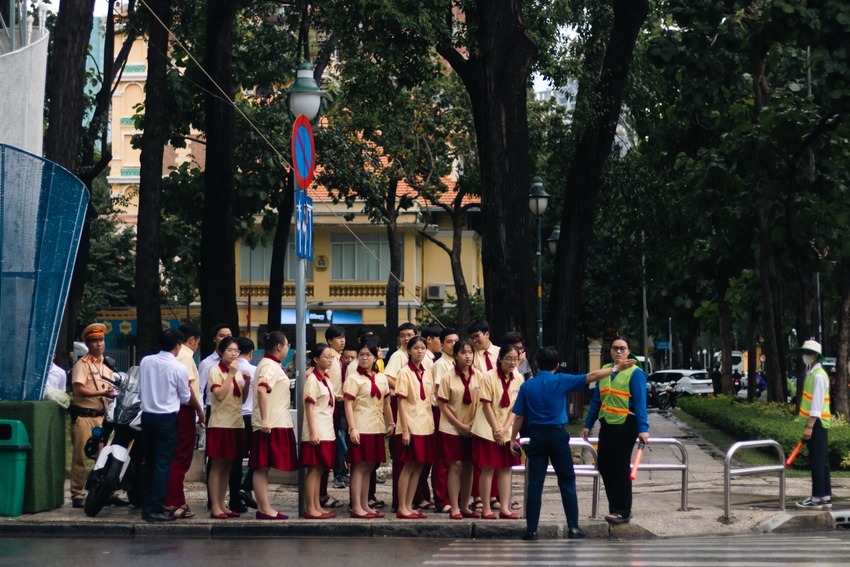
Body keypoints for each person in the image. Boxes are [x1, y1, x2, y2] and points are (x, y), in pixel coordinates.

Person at [510, 346, 636, 541]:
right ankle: (573, 527)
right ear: (557, 365)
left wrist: (512, 439)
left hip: (536, 436)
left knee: (535, 483)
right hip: (557, 435)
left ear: (536, 364)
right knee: (567, 480)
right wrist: (614, 369)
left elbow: (519, 415)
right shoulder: (561, 380)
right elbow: (591, 376)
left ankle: (532, 530)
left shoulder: (527, 386)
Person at [582, 336, 649, 525]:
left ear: (628, 351)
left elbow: (641, 402)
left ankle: (623, 511)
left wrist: (643, 428)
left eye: (622, 348)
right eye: (615, 348)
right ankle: (615, 508)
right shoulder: (605, 371)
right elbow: (596, 400)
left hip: (626, 423)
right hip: (607, 424)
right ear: (610, 351)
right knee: (604, 465)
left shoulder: (635, 373)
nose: (618, 352)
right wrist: (588, 424)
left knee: (620, 468)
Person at [138, 329, 192, 523]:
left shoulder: (146, 361)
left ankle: (146, 504)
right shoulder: (179, 368)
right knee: (163, 463)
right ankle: (155, 507)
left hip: (147, 416)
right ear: (177, 345)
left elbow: (140, 386)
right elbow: (186, 396)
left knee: (149, 461)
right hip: (166, 418)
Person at [69, 323, 119, 508]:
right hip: (85, 417)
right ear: (87, 344)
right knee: (81, 456)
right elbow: (78, 389)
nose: (99, 344)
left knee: (104, 457)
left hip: (103, 417)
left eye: (101, 340)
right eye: (94, 341)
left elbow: (113, 389)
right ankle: (77, 494)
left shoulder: (107, 367)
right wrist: (102, 393)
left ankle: (107, 493)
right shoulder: (82, 365)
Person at [472, 344, 524, 520]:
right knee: (488, 468)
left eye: (515, 359)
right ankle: (486, 508)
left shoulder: (519, 378)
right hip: (488, 428)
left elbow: (515, 407)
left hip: (508, 429)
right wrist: (496, 430)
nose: (512, 362)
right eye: (508, 358)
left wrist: (506, 430)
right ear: (500, 359)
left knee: (505, 468)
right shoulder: (488, 377)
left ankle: (505, 508)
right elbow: (486, 405)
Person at [250, 331, 297, 520]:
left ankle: (264, 507)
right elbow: (262, 390)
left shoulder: (271, 364)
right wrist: (265, 419)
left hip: (273, 420)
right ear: (279, 347)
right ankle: (264, 508)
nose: (288, 348)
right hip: (270, 422)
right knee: (262, 466)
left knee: (263, 466)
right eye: (287, 345)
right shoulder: (270, 365)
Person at [344, 340, 393, 519]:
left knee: (370, 467)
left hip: (376, 426)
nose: (364, 358)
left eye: (368, 354)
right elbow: (348, 406)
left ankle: (365, 504)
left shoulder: (381, 378)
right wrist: (352, 428)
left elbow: (386, 402)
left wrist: (391, 423)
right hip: (360, 426)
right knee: (358, 467)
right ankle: (356, 506)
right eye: (362, 354)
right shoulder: (353, 379)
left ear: (375, 357)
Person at [164, 323, 206, 518]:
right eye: (197, 344)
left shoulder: (172, 356)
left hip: (171, 410)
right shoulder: (186, 356)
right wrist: (199, 409)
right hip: (184, 410)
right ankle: (172, 502)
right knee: (181, 458)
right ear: (191, 340)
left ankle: (178, 499)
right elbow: (187, 389)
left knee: (174, 457)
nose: (197, 348)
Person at [206, 336, 250, 519]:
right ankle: (215, 505)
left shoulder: (237, 371)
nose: (234, 354)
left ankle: (222, 504)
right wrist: (231, 374)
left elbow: (242, 399)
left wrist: (246, 383)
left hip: (235, 423)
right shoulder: (215, 371)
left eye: (236, 351)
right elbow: (220, 396)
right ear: (221, 352)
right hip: (220, 424)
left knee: (228, 466)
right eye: (230, 350)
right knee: (217, 465)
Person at [394, 336, 436, 519]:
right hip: (411, 425)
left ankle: (410, 505)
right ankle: (402, 506)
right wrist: (404, 429)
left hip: (425, 425)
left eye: (423, 348)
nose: (420, 351)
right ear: (409, 351)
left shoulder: (427, 373)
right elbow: (401, 402)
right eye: (416, 348)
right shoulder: (404, 373)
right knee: (408, 466)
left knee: (419, 467)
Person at [436, 339, 479, 519]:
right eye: (463, 352)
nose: (467, 356)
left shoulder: (479, 376)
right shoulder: (447, 377)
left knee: (469, 465)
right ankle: (453, 506)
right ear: (455, 355)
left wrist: (473, 423)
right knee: (456, 464)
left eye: (470, 352)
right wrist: (460, 425)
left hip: (472, 427)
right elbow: (443, 405)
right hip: (452, 427)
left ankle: (465, 505)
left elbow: (482, 403)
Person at [792, 340, 832, 509]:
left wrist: (809, 426)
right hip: (817, 423)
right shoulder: (812, 373)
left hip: (817, 423)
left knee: (817, 461)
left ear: (815, 356)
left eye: (808, 353)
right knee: (821, 460)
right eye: (804, 353)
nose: (805, 356)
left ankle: (817, 497)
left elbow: (816, 404)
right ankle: (825, 496)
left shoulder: (819, 376)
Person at [301, 344, 338, 519]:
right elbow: (310, 407)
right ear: (316, 359)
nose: (330, 360)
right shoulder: (313, 380)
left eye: (331, 357)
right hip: (316, 430)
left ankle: (317, 505)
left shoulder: (326, 379)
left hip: (327, 429)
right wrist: (313, 433)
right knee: (314, 470)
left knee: (321, 470)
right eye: (326, 357)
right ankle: (310, 508)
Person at [429, 327, 459, 513]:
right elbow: (441, 395)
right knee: (443, 459)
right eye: (449, 341)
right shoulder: (441, 364)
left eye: (456, 341)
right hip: (443, 412)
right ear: (441, 345)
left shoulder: (459, 363)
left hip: (459, 414)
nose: (453, 344)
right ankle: (441, 499)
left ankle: (455, 497)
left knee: (457, 460)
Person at [230, 337, 258, 512]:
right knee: (256, 456)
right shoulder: (254, 370)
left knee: (235, 460)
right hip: (251, 417)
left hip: (234, 417)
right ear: (251, 353)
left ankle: (234, 498)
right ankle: (246, 487)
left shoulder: (229, 369)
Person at [324, 325, 349, 496]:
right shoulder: (329, 358)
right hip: (332, 403)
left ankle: (342, 471)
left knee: (342, 436)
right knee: (337, 437)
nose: (342, 340)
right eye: (338, 338)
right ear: (329, 341)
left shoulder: (340, 358)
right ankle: (338, 474)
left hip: (342, 403)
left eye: (343, 337)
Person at [198, 324, 233, 406]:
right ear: (214, 339)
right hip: (214, 407)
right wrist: (200, 412)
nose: (225, 339)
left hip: (233, 409)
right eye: (221, 336)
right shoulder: (206, 363)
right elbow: (199, 390)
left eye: (228, 336)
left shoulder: (236, 362)